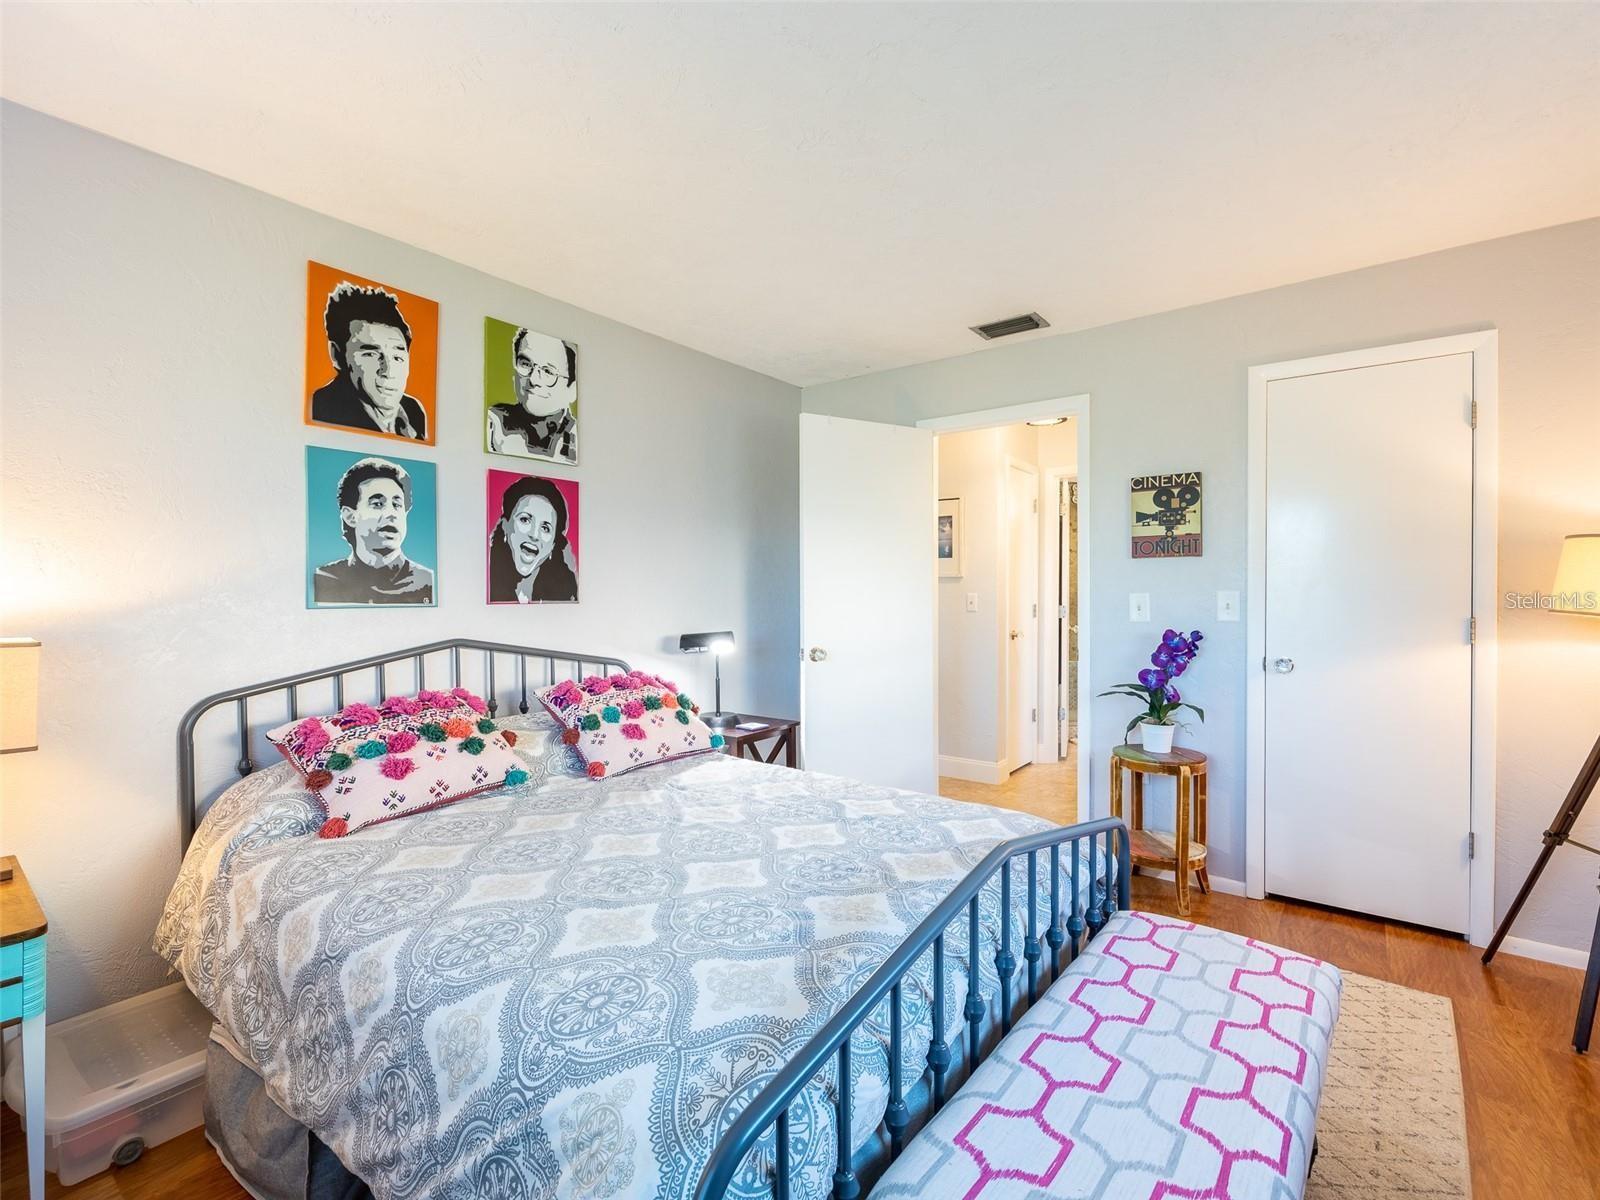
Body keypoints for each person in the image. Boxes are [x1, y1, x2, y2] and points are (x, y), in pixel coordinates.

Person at [311, 282, 428, 440]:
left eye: (397, 357)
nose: (388, 371)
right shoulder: (320, 408)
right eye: (370, 355)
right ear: (337, 355)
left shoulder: (413, 411)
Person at [314, 458, 434, 604]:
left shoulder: (427, 582)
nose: (391, 514)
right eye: (377, 504)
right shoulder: (325, 579)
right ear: (350, 516)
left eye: (397, 504)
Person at [486, 327, 577, 462]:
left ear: (572, 390)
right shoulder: (493, 421)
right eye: (526, 364)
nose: (533, 379)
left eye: (548, 372)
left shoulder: (578, 438)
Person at [487, 476, 578, 603]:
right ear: (505, 525)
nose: (534, 535)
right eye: (525, 520)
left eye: (545, 528)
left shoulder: (566, 594)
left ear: (553, 545)